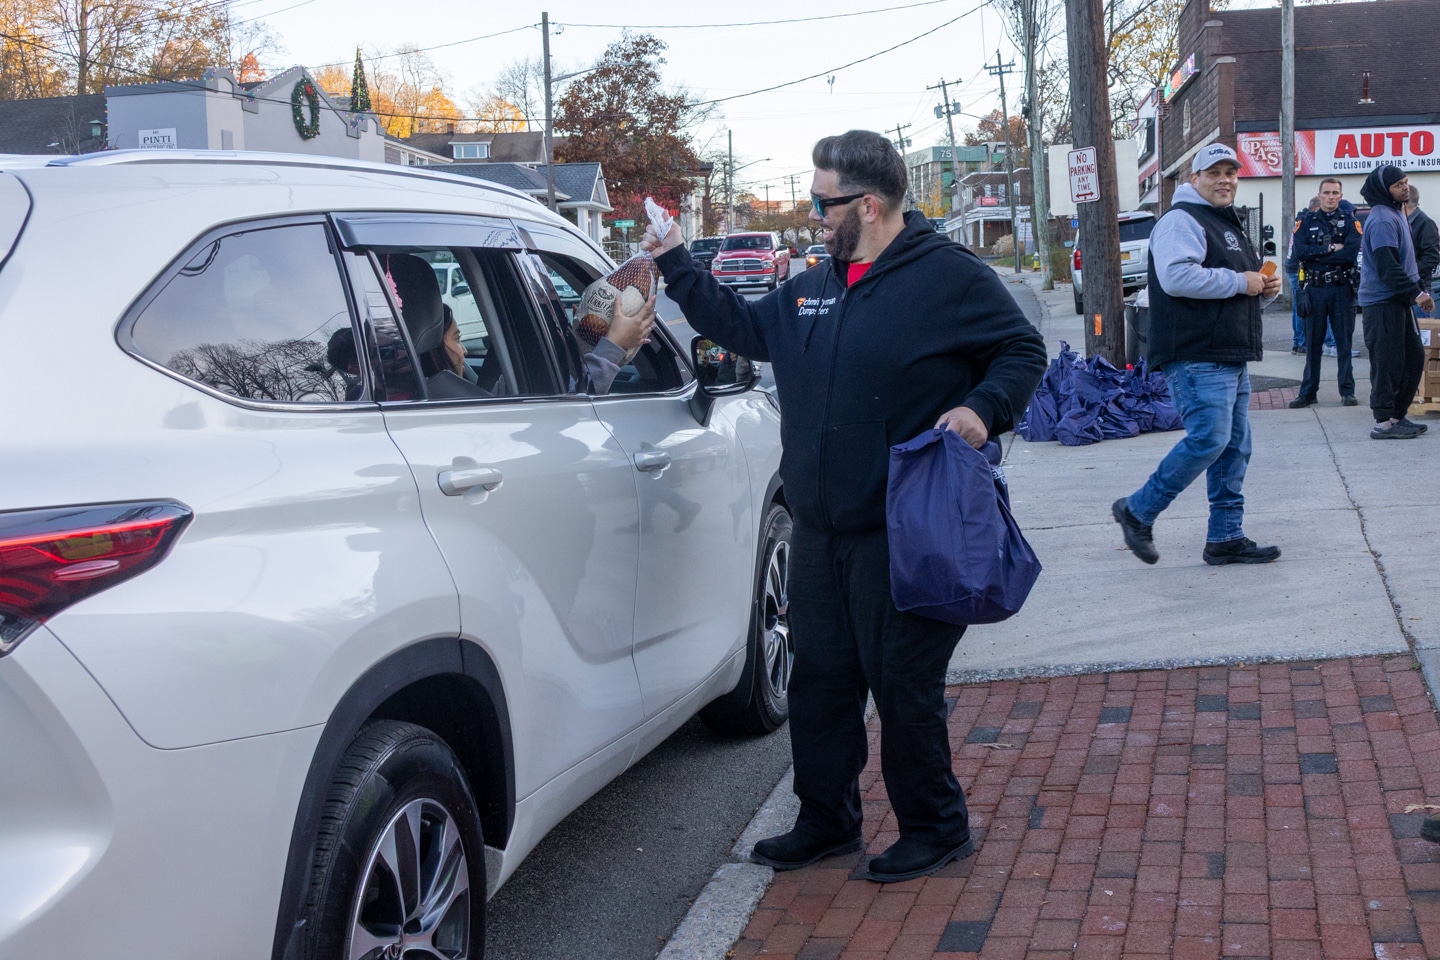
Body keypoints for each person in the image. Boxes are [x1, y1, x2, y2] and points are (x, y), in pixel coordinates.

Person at [641, 129, 1046, 884]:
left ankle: (936, 827)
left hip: (906, 528)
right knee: (820, 679)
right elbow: (744, 327)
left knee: (902, 684)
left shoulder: (950, 278)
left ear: (869, 203)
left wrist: (983, 409)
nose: (813, 218)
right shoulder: (815, 286)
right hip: (822, 530)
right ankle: (826, 820)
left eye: (823, 204)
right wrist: (672, 259)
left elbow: (1022, 351)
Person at [1111, 142, 1282, 567]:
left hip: (1227, 352)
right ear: (1194, 179)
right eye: (1214, 172)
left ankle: (1225, 537)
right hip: (1196, 353)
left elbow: (1227, 289)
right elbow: (1176, 277)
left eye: (1231, 172)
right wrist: (1241, 281)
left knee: (1234, 448)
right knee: (1209, 438)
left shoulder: (1226, 222)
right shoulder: (1181, 220)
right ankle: (1137, 510)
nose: (1225, 180)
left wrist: (1261, 290)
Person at [1358, 164, 1434, 438]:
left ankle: (1397, 416)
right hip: (1382, 303)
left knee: (1412, 359)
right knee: (1387, 363)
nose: (1405, 187)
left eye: (1405, 182)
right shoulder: (1381, 220)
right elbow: (1387, 267)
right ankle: (1383, 423)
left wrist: (1416, 290)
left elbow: (1405, 261)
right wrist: (1417, 294)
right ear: (1384, 189)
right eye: (1398, 184)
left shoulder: (1396, 212)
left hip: (1400, 301)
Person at [1288, 178, 1362, 408]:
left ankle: (1347, 391)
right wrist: (1329, 248)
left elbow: (1349, 254)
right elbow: (1300, 252)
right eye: (1326, 193)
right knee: (1313, 344)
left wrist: (1316, 254)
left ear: (1341, 196)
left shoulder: (1350, 221)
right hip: (1316, 289)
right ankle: (1308, 392)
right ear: (1319, 195)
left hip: (1341, 289)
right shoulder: (1305, 220)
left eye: (1335, 193)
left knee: (1343, 343)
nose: (1330, 197)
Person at [1405, 184, 1440, 318]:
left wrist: (1409, 272)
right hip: (1406, 289)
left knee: (1419, 334)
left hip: (1418, 290)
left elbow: (1432, 257)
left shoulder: (1425, 223)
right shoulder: (1404, 222)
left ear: (1407, 203)